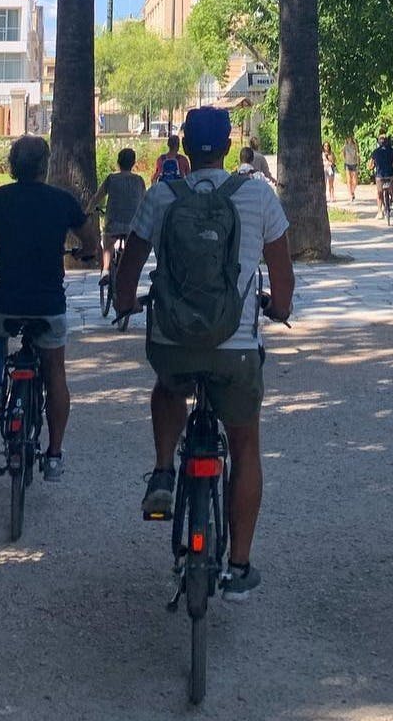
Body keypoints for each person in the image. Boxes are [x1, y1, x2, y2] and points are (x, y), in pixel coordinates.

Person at [114, 106, 294, 602]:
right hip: (235, 349)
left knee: (167, 384)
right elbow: (281, 276)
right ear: (231, 143)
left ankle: (164, 471)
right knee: (245, 448)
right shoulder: (259, 194)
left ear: (186, 147)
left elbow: (129, 266)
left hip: (173, 341)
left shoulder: (161, 194)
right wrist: (278, 308)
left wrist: (126, 304)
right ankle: (239, 566)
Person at [0, 136, 100, 480]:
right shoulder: (62, 200)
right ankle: (54, 455)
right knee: (55, 372)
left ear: (13, 165)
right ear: (45, 165)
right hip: (48, 303)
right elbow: (89, 237)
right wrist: (87, 252)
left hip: (7, 299)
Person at [91, 148, 147, 281]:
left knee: (108, 243)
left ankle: (105, 270)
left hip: (113, 223)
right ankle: (129, 272)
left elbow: (97, 198)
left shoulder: (111, 179)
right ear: (133, 163)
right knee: (131, 247)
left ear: (118, 162)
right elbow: (144, 200)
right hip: (132, 225)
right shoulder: (139, 180)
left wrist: (88, 211)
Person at [367, 135, 393, 220]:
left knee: (379, 193)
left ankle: (379, 212)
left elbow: (370, 166)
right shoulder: (392, 151)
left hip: (380, 176)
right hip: (390, 174)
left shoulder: (375, 152)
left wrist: (372, 167)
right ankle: (392, 195)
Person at [342, 136, 360, 201]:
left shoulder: (355, 145)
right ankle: (350, 195)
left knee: (355, 181)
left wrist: (358, 163)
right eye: (347, 137)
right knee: (349, 180)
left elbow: (358, 155)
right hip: (347, 164)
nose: (349, 139)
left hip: (354, 163)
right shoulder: (345, 146)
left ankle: (352, 191)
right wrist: (346, 160)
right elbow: (343, 154)